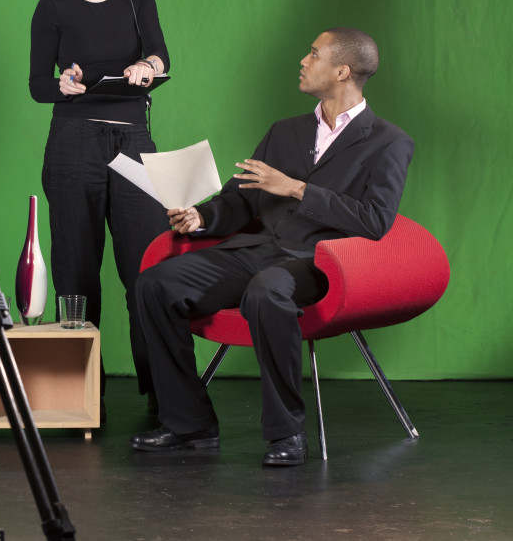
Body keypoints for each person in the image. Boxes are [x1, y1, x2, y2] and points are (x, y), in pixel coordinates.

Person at [131, 28, 414, 466]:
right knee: (155, 283)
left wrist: (299, 189)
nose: (303, 60)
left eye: (314, 54)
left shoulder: (389, 142)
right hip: (259, 250)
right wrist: (201, 217)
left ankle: (287, 434)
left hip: (322, 263)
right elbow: (241, 198)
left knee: (266, 290)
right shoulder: (285, 131)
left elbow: (375, 220)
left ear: (342, 71)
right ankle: (189, 424)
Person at [29, 0, 170, 402]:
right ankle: (79, 396)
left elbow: (160, 53)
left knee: (148, 269)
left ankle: (162, 393)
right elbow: (37, 85)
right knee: (77, 272)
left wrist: (147, 67)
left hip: (132, 141)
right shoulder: (52, 7)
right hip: (74, 143)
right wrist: (63, 85)